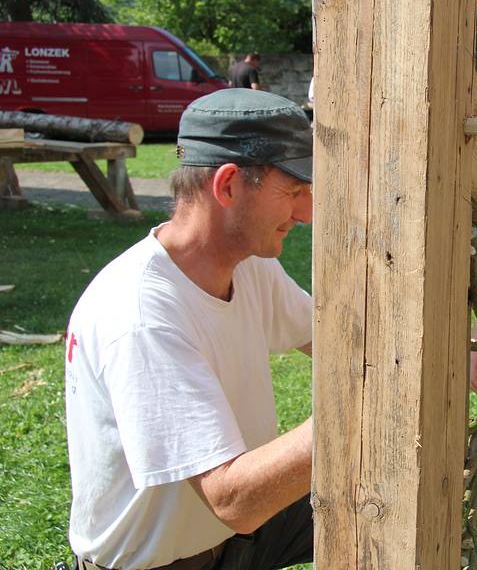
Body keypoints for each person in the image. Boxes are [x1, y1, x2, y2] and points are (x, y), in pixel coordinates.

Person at [64, 88, 315, 570]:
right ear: (228, 186)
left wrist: (460, 356)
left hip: (237, 537)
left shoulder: (247, 264)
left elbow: (337, 342)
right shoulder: (140, 316)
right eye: (292, 192)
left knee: (386, 484)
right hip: (167, 561)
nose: (306, 213)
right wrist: (355, 414)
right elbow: (233, 500)